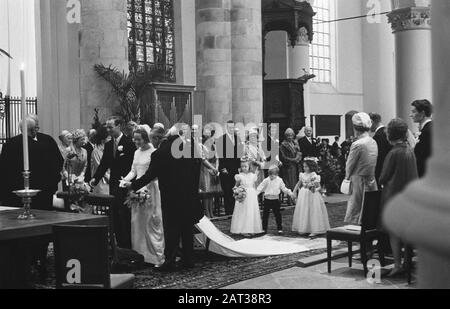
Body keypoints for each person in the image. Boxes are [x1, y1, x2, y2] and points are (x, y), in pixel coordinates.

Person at [128, 128, 203, 272]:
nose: (152, 143)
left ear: (157, 139)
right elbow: (196, 170)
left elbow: (150, 174)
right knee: (187, 228)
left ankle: (169, 261)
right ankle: (188, 259)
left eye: (152, 140)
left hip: (171, 196)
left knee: (171, 229)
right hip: (188, 195)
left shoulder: (160, 153)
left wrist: (133, 185)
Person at [0, 116, 63, 280]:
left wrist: (51, 183)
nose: (37, 130)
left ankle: (40, 259)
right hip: (17, 197)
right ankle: (24, 262)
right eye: (34, 128)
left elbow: (58, 162)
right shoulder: (13, 145)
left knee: (41, 229)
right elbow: (4, 170)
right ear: (30, 129)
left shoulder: (46, 141)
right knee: (21, 231)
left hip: (42, 195)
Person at [379, 118, 418, 277]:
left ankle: (397, 264)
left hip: (394, 197)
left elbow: (383, 177)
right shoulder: (409, 150)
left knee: (393, 232)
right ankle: (407, 261)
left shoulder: (394, 152)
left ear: (391, 134)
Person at [90, 116, 136, 249]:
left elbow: (133, 166)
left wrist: (129, 182)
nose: (108, 130)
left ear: (119, 126)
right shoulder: (109, 144)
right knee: (115, 215)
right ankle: (120, 246)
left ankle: (128, 246)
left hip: (126, 185)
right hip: (114, 185)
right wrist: (94, 180)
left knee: (125, 216)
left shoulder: (129, 143)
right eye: (107, 128)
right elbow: (104, 164)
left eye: (111, 127)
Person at [122, 126, 165, 266]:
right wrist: (125, 181)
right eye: (134, 139)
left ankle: (156, 256)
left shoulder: (154, 152)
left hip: (150, 189)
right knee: (137, 222)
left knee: (151, 222)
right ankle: (139, 254)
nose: (136, 142)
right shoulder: (136, 152)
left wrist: (141, 187)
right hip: (137, 189)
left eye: (138, 139)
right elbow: (133, 171)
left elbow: (153, 174)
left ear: (145, 138)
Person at [344, 113, 378, 224]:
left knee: (357, 205)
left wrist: (347, 177)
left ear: (355, 128)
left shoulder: (357, 144)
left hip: (358, 178)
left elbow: (350, 164)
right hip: (371, 177)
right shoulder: (373, 141)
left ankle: (357, 226)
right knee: (369, 205)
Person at [292, 159, 331, 237]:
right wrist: (294, 191)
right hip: (303, 194)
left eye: (306, 166)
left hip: (312, 195)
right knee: (304, 210)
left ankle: (315, 229)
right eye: (304, 166)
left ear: (311, 167)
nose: (304, 168)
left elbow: (319, 187)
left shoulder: (314, 175)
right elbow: (298, 183)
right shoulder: (302, 174)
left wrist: (314, 190)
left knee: (313, 210)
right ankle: (305, 228)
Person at [257, 165, 294, 234]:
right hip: (267, 199)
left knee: (277, 215)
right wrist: (254, 194)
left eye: (273, 175)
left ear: (277, 174)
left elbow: (284, 188)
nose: (271, 176)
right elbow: (259, 188)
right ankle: (264, 229)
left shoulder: (280, 180)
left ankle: (279, 228)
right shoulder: (266, 180)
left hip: (275, 200)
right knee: (265, 215)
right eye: (270, 175)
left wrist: (290, 193)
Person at [217, 121, 244, 215]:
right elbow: (220, 155)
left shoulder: (238, 138)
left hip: (235, 169)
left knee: (235, 189)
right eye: (230, 127)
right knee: (227, 191)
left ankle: (235, 211)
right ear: (226, 128)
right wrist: (223, 168)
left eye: (233, 127)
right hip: (226, 169)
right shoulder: (221, 139)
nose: (231, 129)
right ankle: (229, 212)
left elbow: (239, 154)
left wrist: (240, 167)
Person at [230, 159, 264, 236]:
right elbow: (236, 185)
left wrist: (255, 193)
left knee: (251, 211)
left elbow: (254, 185)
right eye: (242, 166)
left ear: (249, 167)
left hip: (251, 195)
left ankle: (251, 228)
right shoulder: (239, 176)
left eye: (245, 166)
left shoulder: (252, 175)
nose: (244, 168)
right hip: (243, 194)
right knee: (243, 211)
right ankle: (243, 229)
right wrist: (236, 191)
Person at [199, 126, 221, 218]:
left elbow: (217, 158)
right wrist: (211, 168)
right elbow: (203, 159)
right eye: (206, 132)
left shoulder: (214, 145)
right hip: (205, 169)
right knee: (206, 192)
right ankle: (207, 212)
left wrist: (216, 168)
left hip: (213, 170)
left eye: (210, 133)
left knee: (211, 193)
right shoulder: (201, 145)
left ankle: (211, 211)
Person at [411, 99, 433, 178]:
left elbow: (421, 158)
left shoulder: (427, 131)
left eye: (414, 112)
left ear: (422, 113)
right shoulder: (430, 128)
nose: (411, 115)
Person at [280, 128, 302, 202]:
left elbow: (299, 152)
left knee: (296, 183)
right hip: (288, 166)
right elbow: (283, 157)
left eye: (291, 135)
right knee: (290, 183)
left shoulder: (295, 143)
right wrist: (293, 160)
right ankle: (290, 200)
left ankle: (296, 198)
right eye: (288, 135)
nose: (290, 137)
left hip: (296, 166)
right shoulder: (283, 145)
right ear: (285, 136)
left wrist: (298, 158)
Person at [370, 113, 392, 184]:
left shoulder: (378, 136)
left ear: (371, 122)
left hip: (382, 172)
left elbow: (380, 158)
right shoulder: (387, 131)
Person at [90, 125, 110, 195]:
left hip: (108, 180)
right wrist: (109, 176)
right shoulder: (96, 151)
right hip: (101, 181)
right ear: (103, 139)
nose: (110, 139)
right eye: (108, 138)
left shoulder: (107, 150)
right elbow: (100, 166)